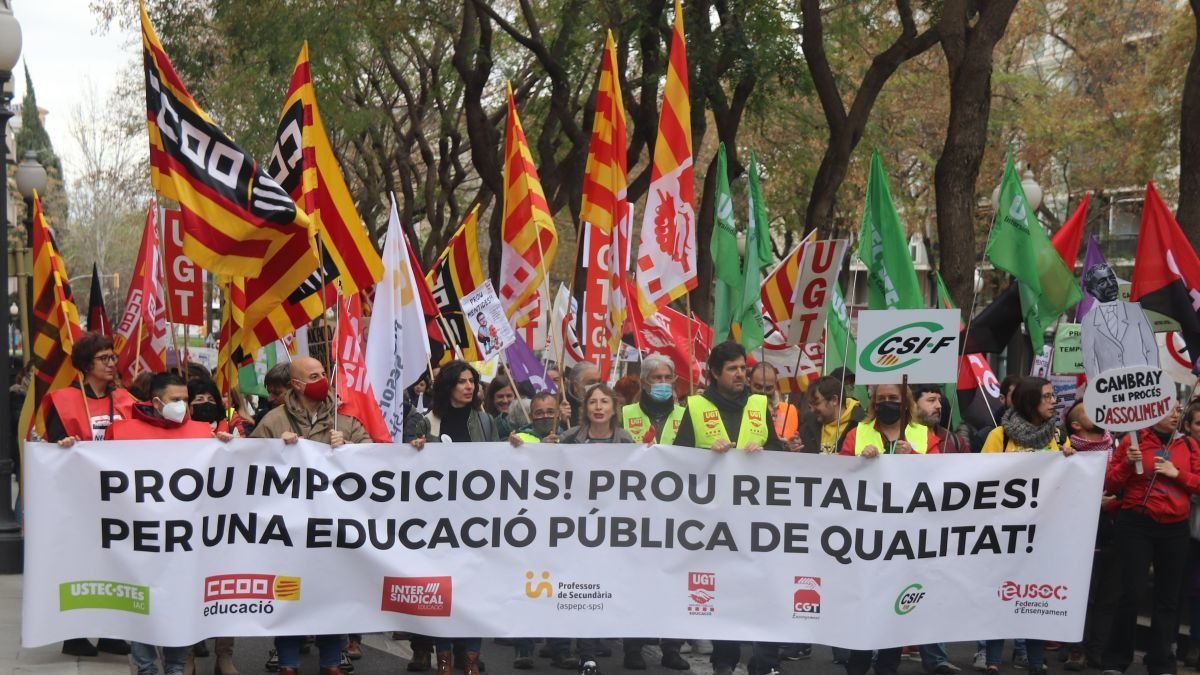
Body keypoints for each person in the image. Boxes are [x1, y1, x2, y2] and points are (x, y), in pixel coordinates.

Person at [102, 373, 236, 675]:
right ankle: (146, 669)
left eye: (186, 400)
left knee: (179, 607)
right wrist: (69, 449)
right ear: (156, 402)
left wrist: (228, 450)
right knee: (142, 609)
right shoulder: (122, 432)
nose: (183, 406)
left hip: (183, 545)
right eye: (177, 400)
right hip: (140, 542)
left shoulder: (202, 433)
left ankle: (176, 669)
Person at [252, 356, 371, 675]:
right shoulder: (273, 422)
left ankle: (331, 661)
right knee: (289, 596)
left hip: (333, 528)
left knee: (331, 595)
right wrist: (275, 449)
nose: (324, 380)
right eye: (315, 375)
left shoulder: (343, 418)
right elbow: (247, 468)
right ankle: (288, 661)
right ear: (296, 385)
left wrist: (349, 447)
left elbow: (374, 463)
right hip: (288, 530)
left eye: (324, 374)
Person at [673, 341, 781, 675]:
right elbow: (676, 463)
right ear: (715, 373)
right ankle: (724, 660)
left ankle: (764, 662)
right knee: (724, 592)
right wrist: (706, 456)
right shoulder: (694, 407)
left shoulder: (760, 405)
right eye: (732, 368)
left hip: (757, 518)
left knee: (763, 589)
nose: (740, 374)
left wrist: (765, 451)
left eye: (742, 368)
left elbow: (778, 453)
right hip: (714, 521)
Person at [45, 332, 135, 658]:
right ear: (86, 364)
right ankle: (75, 635)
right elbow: (53, 442)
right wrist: (62, 445)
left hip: (117, 498)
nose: (112, 364)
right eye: (104, 359)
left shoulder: (124, 399)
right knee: (81, 567)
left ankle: (112, 632)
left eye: (113, 357)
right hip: (78, 498)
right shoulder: (63, 399)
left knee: (115, 564)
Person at [403, 360, 496, 675]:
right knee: (441, 592)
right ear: (448, 387)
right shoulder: (424, 422)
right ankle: (443, 658)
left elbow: (498, 465)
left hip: (475, 522)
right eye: (462, 381)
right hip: (436, 523)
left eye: (472, 381)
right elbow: (408, 473)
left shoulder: (485, 422)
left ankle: (470, 659)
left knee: (473, 591)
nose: (469, 386)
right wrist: (413, 451)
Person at [1102, 401, 1199, 675]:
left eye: (1178, 411)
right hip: (1136, 524)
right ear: (1153, 412)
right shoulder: (1133, 439)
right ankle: (1116, 660)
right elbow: (1110, 483)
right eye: (1170, 411)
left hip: (1175, 529)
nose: (1176, 416)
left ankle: (1160, 663)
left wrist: (1177, 474)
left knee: (1168, 598)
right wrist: (1126, 464)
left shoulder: (1190, 445)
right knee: (1130, 592)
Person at [1063, 401, 1119, 671]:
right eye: (1088, 409)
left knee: (1108, 595)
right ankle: (1076, 648)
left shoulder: (1118, 449)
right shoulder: (1066, 453)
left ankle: (1097, 651)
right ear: (1075, 425)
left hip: (1114, 529)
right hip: (1078, 532)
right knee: (1082, 594)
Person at [838, 384, 940, 457]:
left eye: (893, 398)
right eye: (881, 399)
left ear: (905, 404)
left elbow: (936, 473)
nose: (887, 402)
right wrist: (861, 461)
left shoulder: (925, 435)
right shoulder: (855, 434)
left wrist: (911, 453)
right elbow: (843, 472)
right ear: (875, 404)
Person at [981, 377, 1072, 454]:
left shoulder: (1059, 436)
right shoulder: (999, 436)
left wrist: (1069, 458)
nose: (1053, 401)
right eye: (1046, 396)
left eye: (1052, 395)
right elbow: (986, 470)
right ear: (1029, 401)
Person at [621, 354, 686, 445]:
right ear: (644, 383)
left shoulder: (685, 414)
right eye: (657, 377)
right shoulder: (624, 414)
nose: (663, 382)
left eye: (668, 377)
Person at [798, 376, 863, 455]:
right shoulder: (807, 425)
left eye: (816, 403)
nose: (812, 410)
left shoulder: (861, 425)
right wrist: (792, 449)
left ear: (834, 400)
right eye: (810, 405)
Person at [559, 383, 635, 444]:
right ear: (586, 408)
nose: (598, 407)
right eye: (592, 402)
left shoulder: (625, 439)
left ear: (614, 409)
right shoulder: (569, 438)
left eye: (604, 401)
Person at [749, 362, 802, 450]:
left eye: (768, 388)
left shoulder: (790, 410)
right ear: (749, 382)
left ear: (775, 385)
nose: (763, 392)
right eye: (758, 387)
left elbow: (794, 443)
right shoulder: (741, 408)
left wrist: (792, 446)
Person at [970, 374, 1022, 453]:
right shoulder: (984, 436)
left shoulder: (1036, 433)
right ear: (1002, 398)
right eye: (1015, 396)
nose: (1021, 401)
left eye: (1024, 396)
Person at [912, 384, 968, 453]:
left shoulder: (955, 441)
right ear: (913, 405)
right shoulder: (901, 441)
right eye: (931, 400)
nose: (939, 406)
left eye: (939, 400)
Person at [565, 362, 601, 427]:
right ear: (576, 386)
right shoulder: (562, 405)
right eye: (591, 382)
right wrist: (561, 421)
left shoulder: (606, 405)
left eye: (598, 382)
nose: (596, 386)